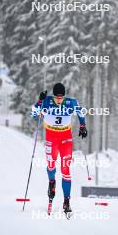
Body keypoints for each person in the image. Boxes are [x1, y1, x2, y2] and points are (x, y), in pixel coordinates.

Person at [30, 82, 87, 214]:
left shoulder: (71, 102)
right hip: (51, 139)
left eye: (61, 98)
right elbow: (33, 114)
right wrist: (39, 101)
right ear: (53, 95)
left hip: (66, 139)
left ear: (64, 96)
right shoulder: (46, 101)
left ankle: (66, 201)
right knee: (51, 166)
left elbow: (81, 112)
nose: (59, 100)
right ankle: (52, 182)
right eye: (56, 97)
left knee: (65, 169)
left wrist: (83, 126)